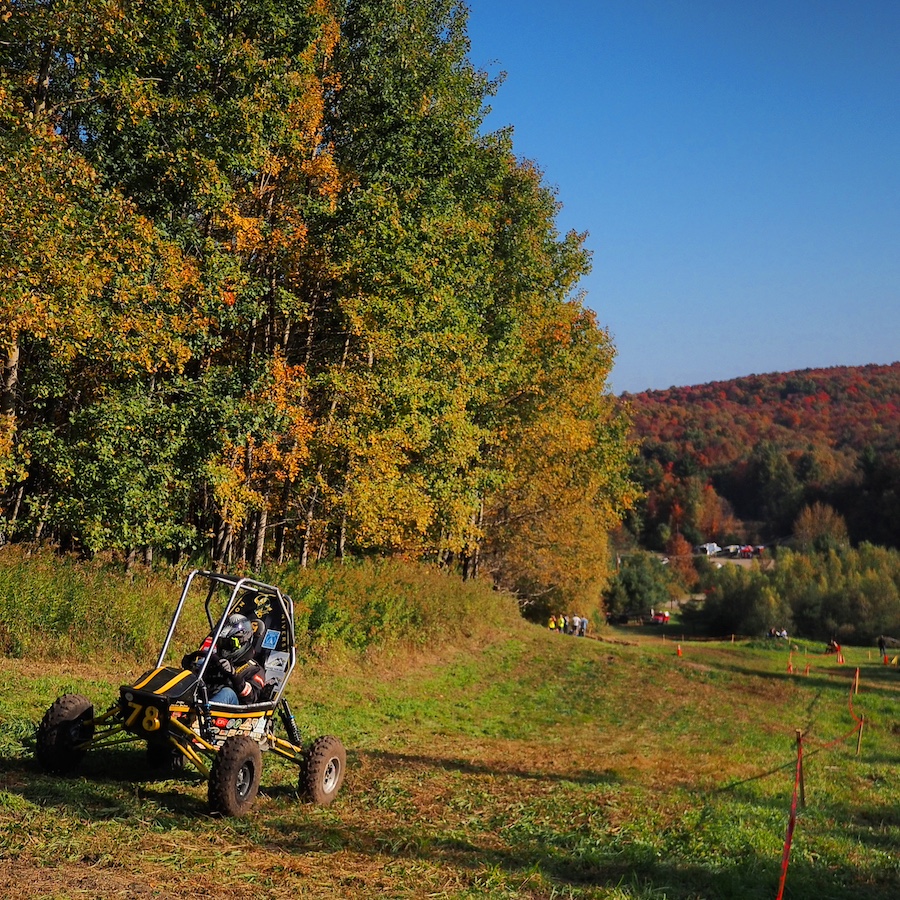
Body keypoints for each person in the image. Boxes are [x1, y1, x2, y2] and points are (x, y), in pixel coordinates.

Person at [182, 613, 267, 705]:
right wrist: (190, 664)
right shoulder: (214, 660)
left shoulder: (254, 669)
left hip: (233, 713)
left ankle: (200, 717)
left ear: (241, 643)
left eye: (227, 643)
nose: (223, 647)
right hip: (205, 698)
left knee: (227, 692)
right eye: (221, 642)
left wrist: (234, 676)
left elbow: (251, 698)